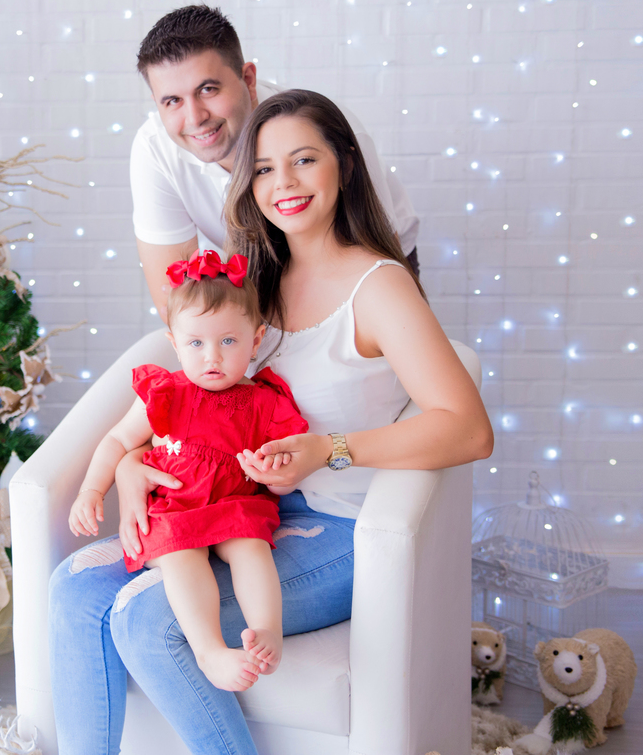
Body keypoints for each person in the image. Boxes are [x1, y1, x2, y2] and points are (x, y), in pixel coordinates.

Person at [48, 88, 493, 754]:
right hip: (232, 506)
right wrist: (136, 462)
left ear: (345, 163)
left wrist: (329, 449)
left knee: (147, 620)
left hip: (338, 527)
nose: (283, 183)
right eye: (262, 168)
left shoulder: (379, 286)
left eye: (304, 160)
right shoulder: (254, 279)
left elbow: (468, 428)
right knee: (76, 587)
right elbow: (197, 395)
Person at [68, 250, 309, 692]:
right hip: (175, 509)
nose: (212, 357)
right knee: (182, 557)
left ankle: (267, 631)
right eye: (196, 343)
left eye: (228, 341)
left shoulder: (265, 401)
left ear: (256, 340)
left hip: (236, 504)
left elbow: (284, 467)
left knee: (251, 547)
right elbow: (118, 441)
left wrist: (272, 468)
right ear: (175, 343)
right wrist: (91, 490)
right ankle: (209, 650)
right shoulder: (167, 393)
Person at [130, 5, 421, 323]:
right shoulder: (155, 149)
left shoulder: (323, 129)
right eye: (173, 100)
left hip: (356, 256)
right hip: (254, 271)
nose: (195, 118)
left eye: (208, 89)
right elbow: (175, 301)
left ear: (248, 79)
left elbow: (380, 260)